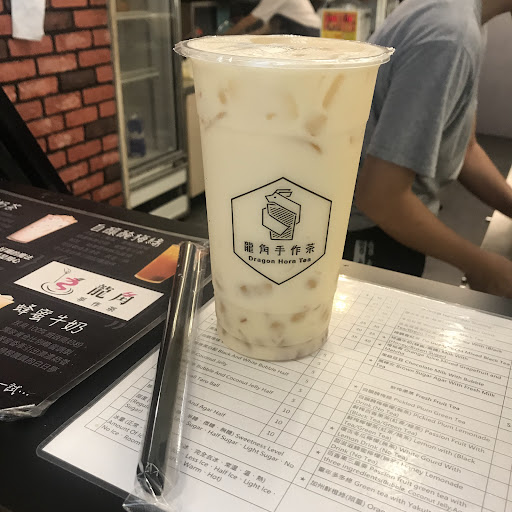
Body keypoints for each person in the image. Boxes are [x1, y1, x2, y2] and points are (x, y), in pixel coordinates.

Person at [343, 0, 512, 298]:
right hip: (370, 230)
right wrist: (483, 267)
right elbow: (381, 199)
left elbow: (465, 147)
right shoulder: (450, 35)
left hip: (391, 221)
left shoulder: (463, 18)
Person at [224, 0, 321, 37]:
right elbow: (268, 27)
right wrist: (248, 36)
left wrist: (224, 36)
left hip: (305, 30)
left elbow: (250, 20)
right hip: (312, 28)